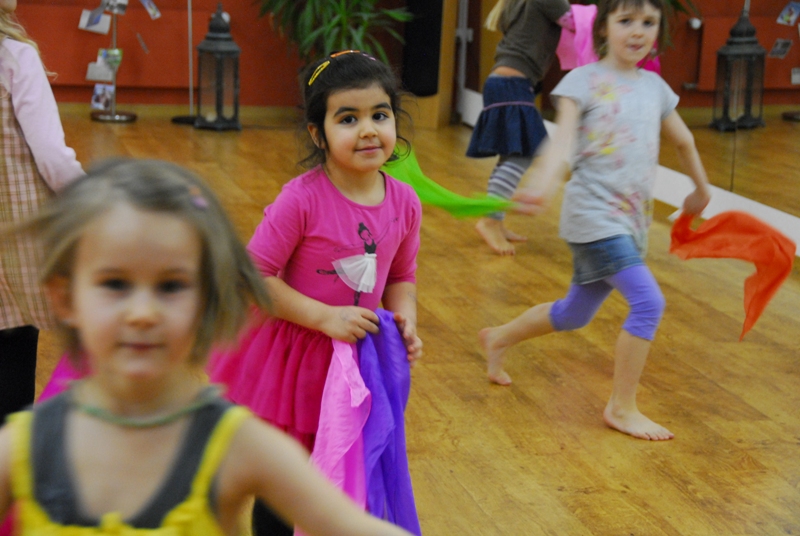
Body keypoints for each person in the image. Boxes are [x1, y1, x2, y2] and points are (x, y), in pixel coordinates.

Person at [0, 159, 414, 536]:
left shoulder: (241, 447)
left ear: (208, 301)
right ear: (65, 298)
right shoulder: (21, 449)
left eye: (171, 286)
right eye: (115, 284)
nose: (143, 313)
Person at [208, 51, 423, 535]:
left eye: (380, 115)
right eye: (348, 119)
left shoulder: (405, 202)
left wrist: (405, 320)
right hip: (297, 360)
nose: (368, 130)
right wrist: (325, 318)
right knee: (288, 479)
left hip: (361, 362)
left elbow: (400, 276)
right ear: (317, 133)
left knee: (344, 472)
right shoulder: (301, 199)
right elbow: (252, 276)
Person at [479, 0, 711, 440]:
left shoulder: (656, 88)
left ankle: (499, 337)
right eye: (626, 21)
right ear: (603, 27)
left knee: (574, 313)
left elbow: (684, 140)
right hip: (593, 217)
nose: (637, 31)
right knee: (649, 303)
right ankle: (622, 408)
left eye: (648, 22)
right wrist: (543, 183)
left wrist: (701, 189)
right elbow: (561, 142)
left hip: (631, 221)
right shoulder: (581, 81)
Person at [0, 0, 84, 424]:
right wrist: (93, 198)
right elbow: (52, 156)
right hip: (14, 234)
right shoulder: (15, 56)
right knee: (12, 361)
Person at [467, 0, 574, 255]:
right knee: (523, 154)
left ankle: (496, 220)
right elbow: (575, 22)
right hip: (512, 84)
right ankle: (490, 220)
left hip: (503, 83)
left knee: (511, 156)